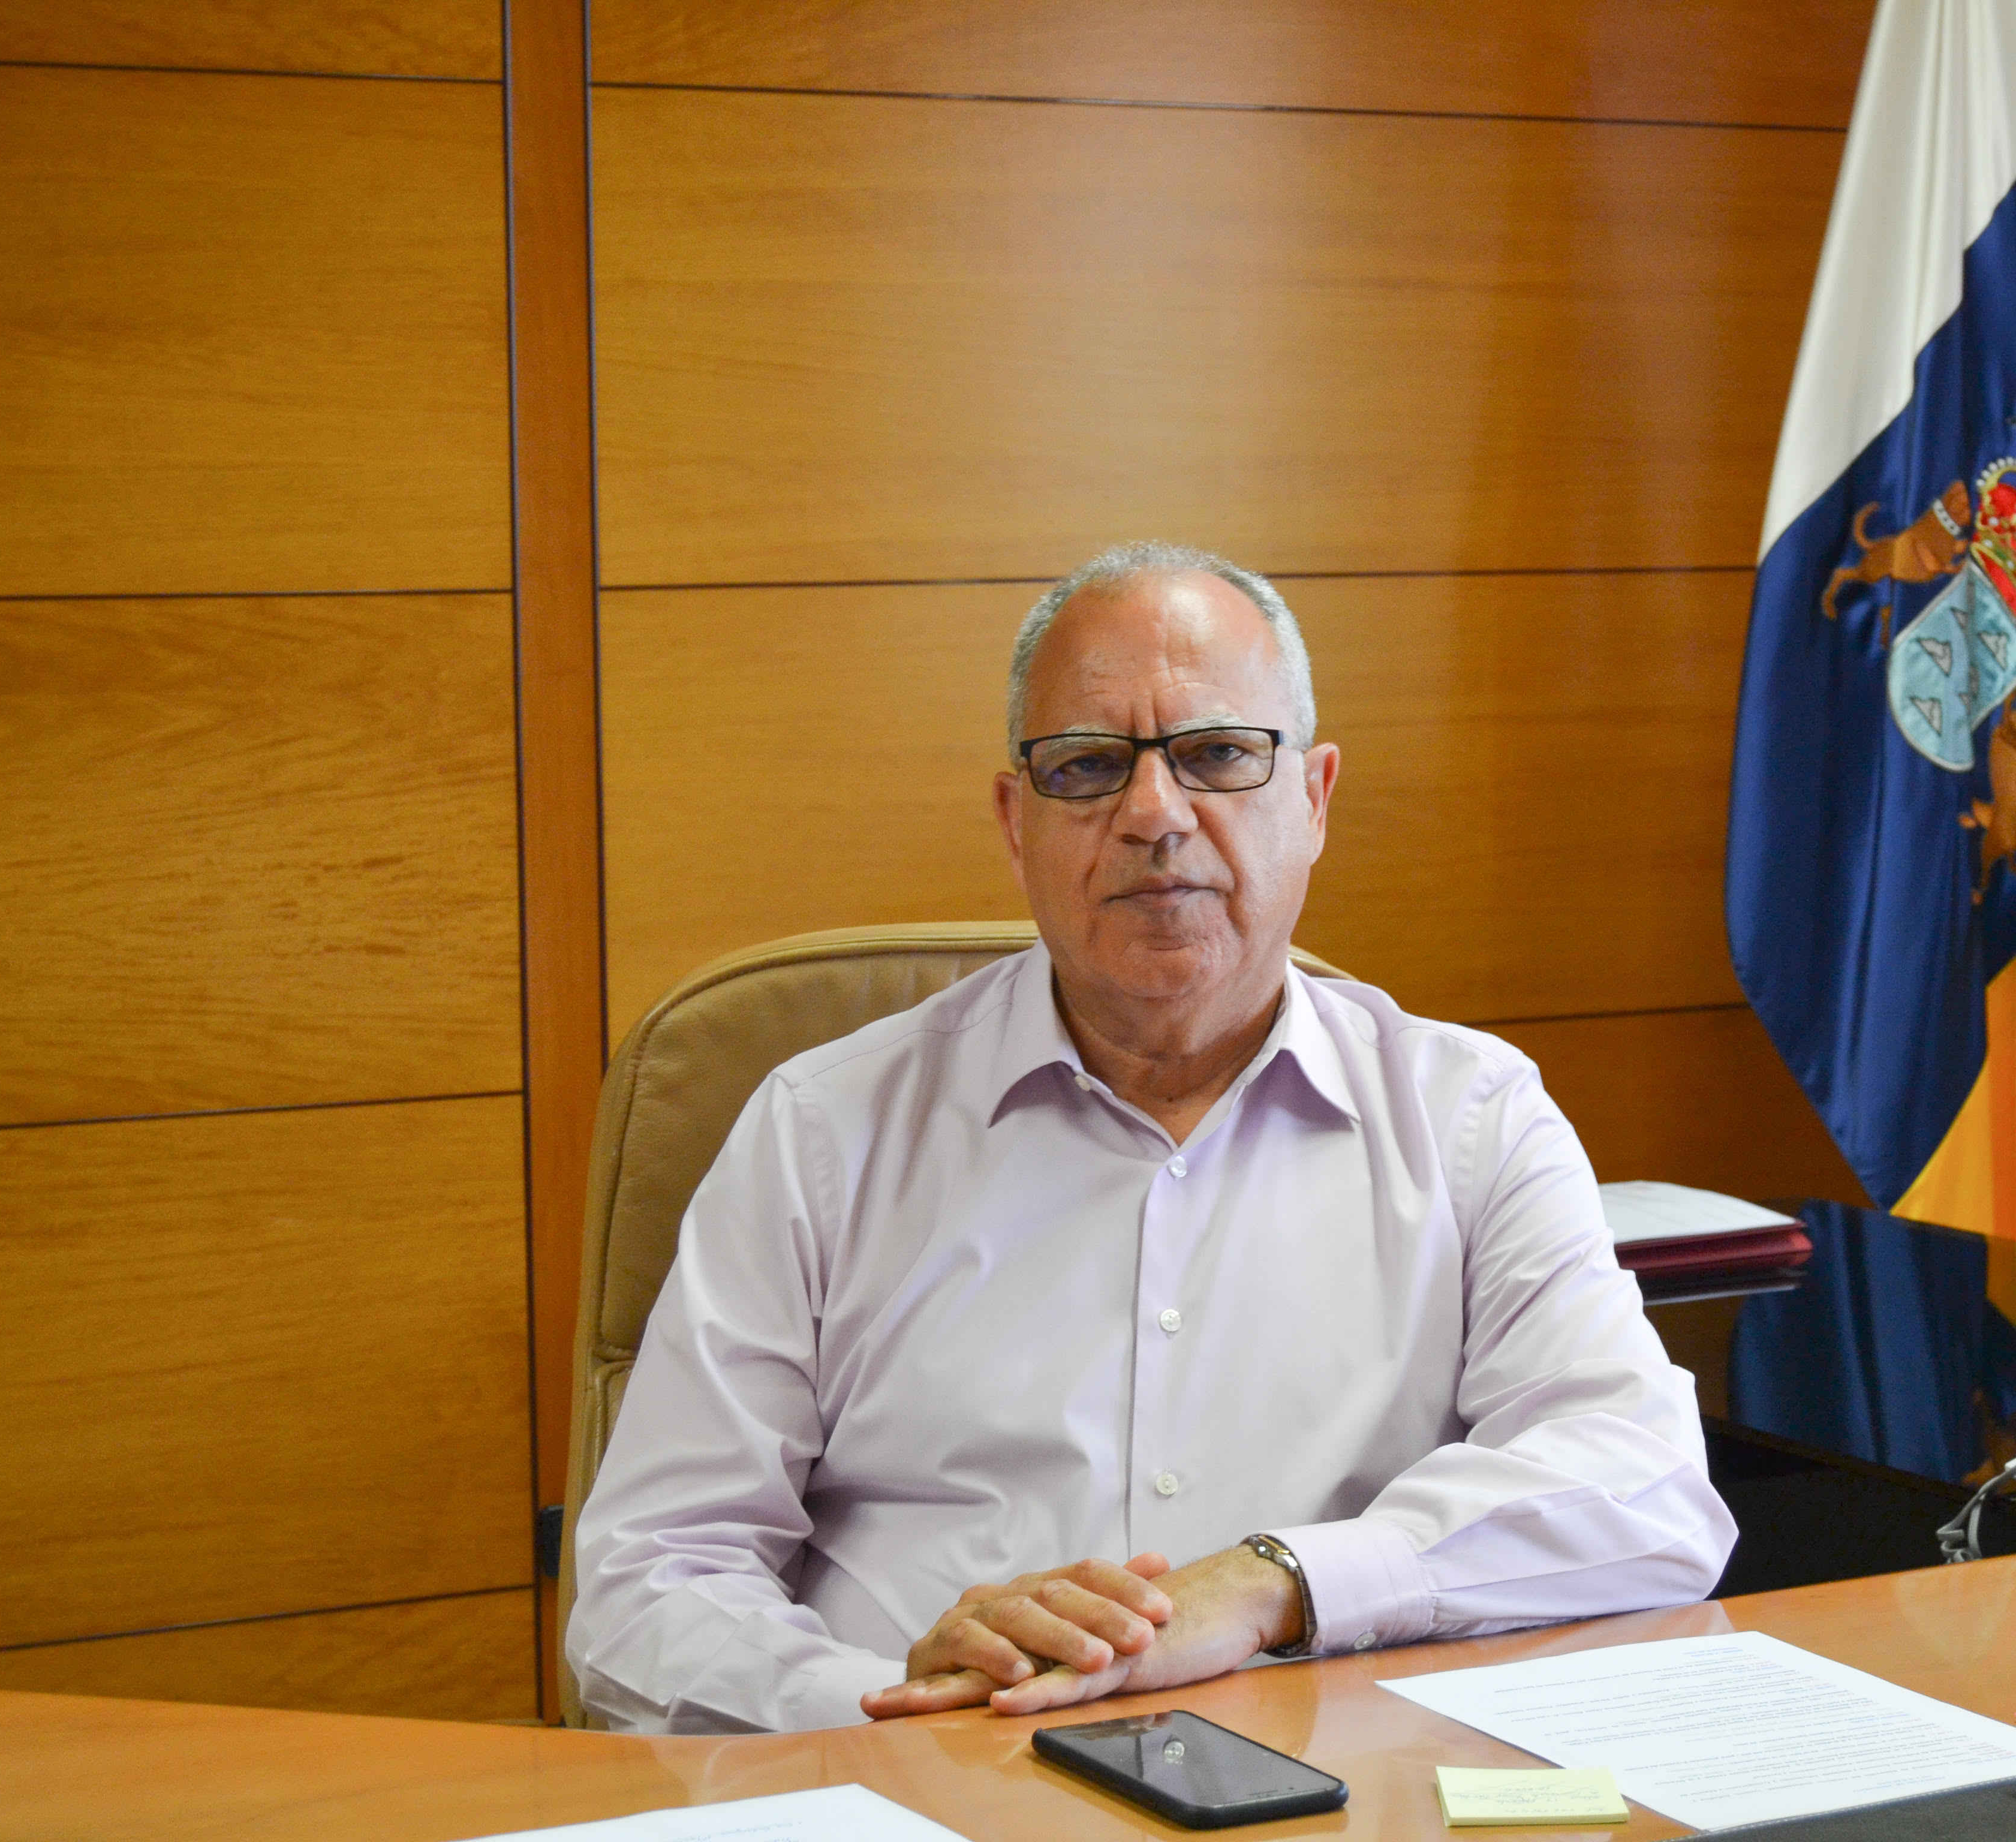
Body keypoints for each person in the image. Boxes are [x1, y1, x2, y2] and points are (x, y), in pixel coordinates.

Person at [564, 540, 1733, 1733]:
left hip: (1335, 1791)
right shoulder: (823, 1132)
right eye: (1086, 767)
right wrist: (895, 1712)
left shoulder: (1469, 1117)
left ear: (1315, 799)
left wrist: (1275, 1583)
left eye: (1219, 755)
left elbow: (1643, 1490)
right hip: (919, 1789)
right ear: (1015, 822)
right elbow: (647, 1582)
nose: (1156, 815)